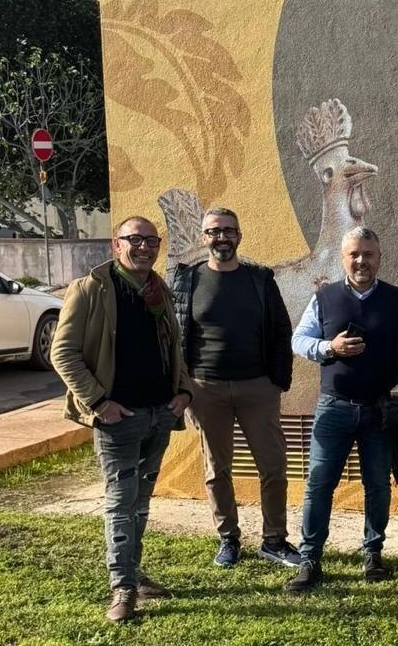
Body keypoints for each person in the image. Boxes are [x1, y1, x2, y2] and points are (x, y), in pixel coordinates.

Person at [49, 216, 195, 623]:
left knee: (142, 502)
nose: (144, 247)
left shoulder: (158, 290)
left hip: (159, 414)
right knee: (120, 503)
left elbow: (176, 348)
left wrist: (183, 393)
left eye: (151, 240)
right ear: (117, 244)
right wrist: (99, 402)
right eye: (135, 240)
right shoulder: (90, 289)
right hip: (118, 417)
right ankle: (123, 588)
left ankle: (134, 572)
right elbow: (63, 354)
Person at [285, 227, 398, 592]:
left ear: (379, 257)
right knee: (319, 485)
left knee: (377, 485)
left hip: (380, 412)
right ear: (343, 257)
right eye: (354, 255)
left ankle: (372, 552)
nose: (361, 261)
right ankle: (310, 558)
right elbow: (299, 340)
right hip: (333, 409)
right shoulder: (324, 298)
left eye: (368, 254)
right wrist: (330, 347)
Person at [170, 207, 300, 569]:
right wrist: (184, 385)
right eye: (214, 231)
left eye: (228, 230)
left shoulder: (259, 279)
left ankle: (274, 539)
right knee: (217, 468)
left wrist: (277, 381)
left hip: (257, 387)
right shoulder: (186, 281)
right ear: (203, 238)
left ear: (239, 236)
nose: (222, 237)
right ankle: (228, 537)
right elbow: (175, 335)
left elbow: (280, 330)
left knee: (273, 465)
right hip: (205, 389)